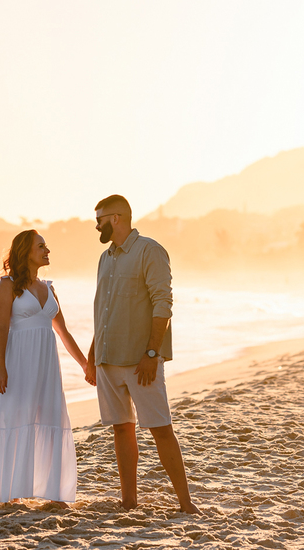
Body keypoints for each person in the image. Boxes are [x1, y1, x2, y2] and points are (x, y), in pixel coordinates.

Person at [87, 195, 199, 513]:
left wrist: (152, 353)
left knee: (161, 428)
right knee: (121, 428)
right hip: (107, 359)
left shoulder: (150, 250)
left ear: (117, 218)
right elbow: (104, 312)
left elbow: (163, 303)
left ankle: (186, 502)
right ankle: (128, 500)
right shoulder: (105, 258)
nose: (96, 225)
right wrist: (92, 357)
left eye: (100, 219)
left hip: (140, 361)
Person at [0, 229, 89, 503]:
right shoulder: (7, 286)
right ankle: (9, 492)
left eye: (47, 245)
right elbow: (1, 329)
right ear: (26, 252)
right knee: (16, 422)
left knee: (48, 421)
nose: (47, 251)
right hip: (17, 364)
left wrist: (85, 365)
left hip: (46, 368)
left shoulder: (50, 288)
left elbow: (64, 332)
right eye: (41, 246)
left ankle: (47, 490)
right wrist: (1, 367)